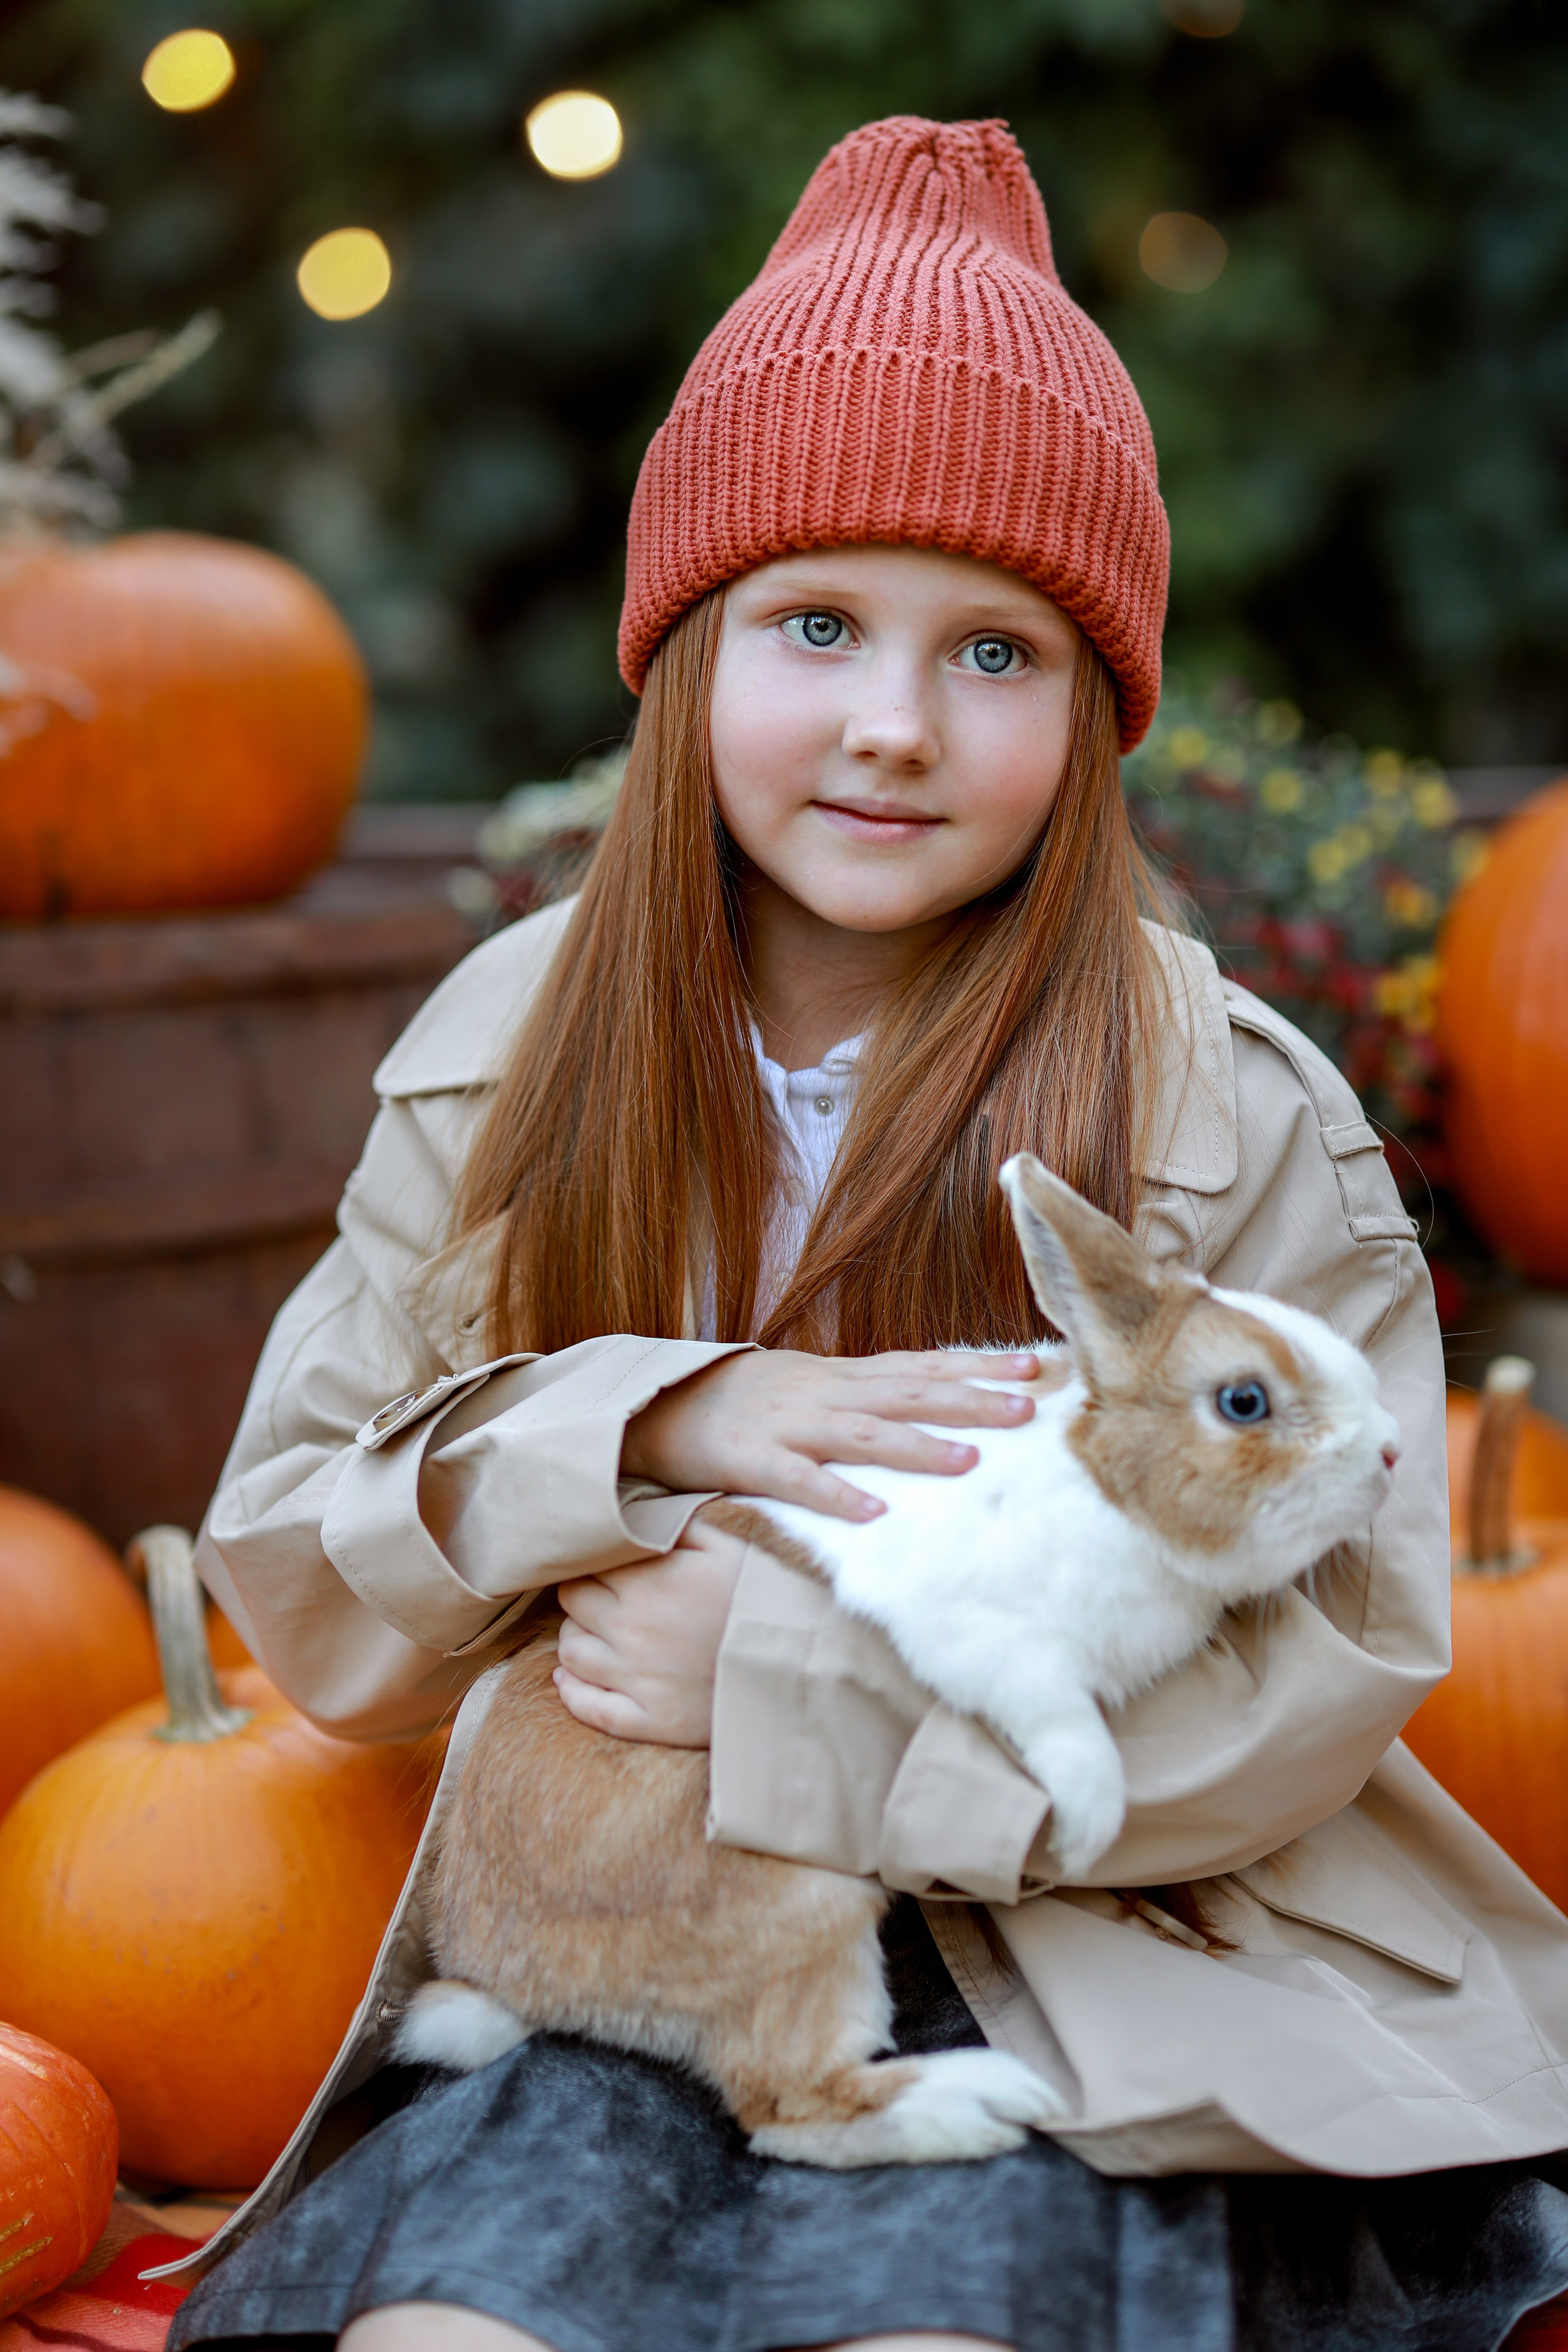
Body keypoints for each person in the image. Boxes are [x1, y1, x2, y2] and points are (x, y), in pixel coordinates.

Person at [167, 116, 1568, 2352]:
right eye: (818, 625)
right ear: (688, 655)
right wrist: (662, 1426)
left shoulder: (1219, 1104)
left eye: (996, 652)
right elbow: (304, 1567)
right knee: (465, 2325)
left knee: (929, 2316)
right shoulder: (513, 1055)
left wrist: (807, 1700)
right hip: (638, 1937)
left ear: (1097, 712)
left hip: (1103, 1938)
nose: (897, 728)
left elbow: (1355, 1632)